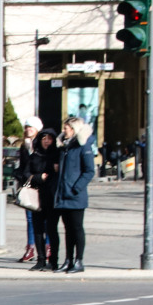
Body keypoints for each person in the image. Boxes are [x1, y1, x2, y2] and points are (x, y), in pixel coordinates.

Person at [53, 116, 96, 273]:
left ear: (74, 129)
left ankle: (79, 261)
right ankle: (68, 260)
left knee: (77, 228)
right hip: (63, 194)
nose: (63, 131)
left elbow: (89, 171)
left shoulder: (82, 146)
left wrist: (76, 188)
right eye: (64, 128)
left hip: (75, 195)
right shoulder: (65, 147)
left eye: (67, 128)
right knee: (67, 229)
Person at [28, 128, 61, 272]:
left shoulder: (57, 155)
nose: (46, 141)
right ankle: (40, 259)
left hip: (52, 196)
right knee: (38, 229)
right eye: (43, 139)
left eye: (49, 139)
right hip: (36, 196)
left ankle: (53, 260)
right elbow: (25, 173)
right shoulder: (35, 155)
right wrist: (38, 177)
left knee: (52, 229)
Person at [15, 116, 43, 263]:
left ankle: (46, 247)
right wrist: (19, 175)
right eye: (26, 127)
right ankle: (30, 248)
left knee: (44, 219)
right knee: (30, 218)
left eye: (31, 127)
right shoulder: (24, 145)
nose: (28, 129)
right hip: (28, 184)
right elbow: (23, 165)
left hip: (40, 184)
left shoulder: (42, 143)